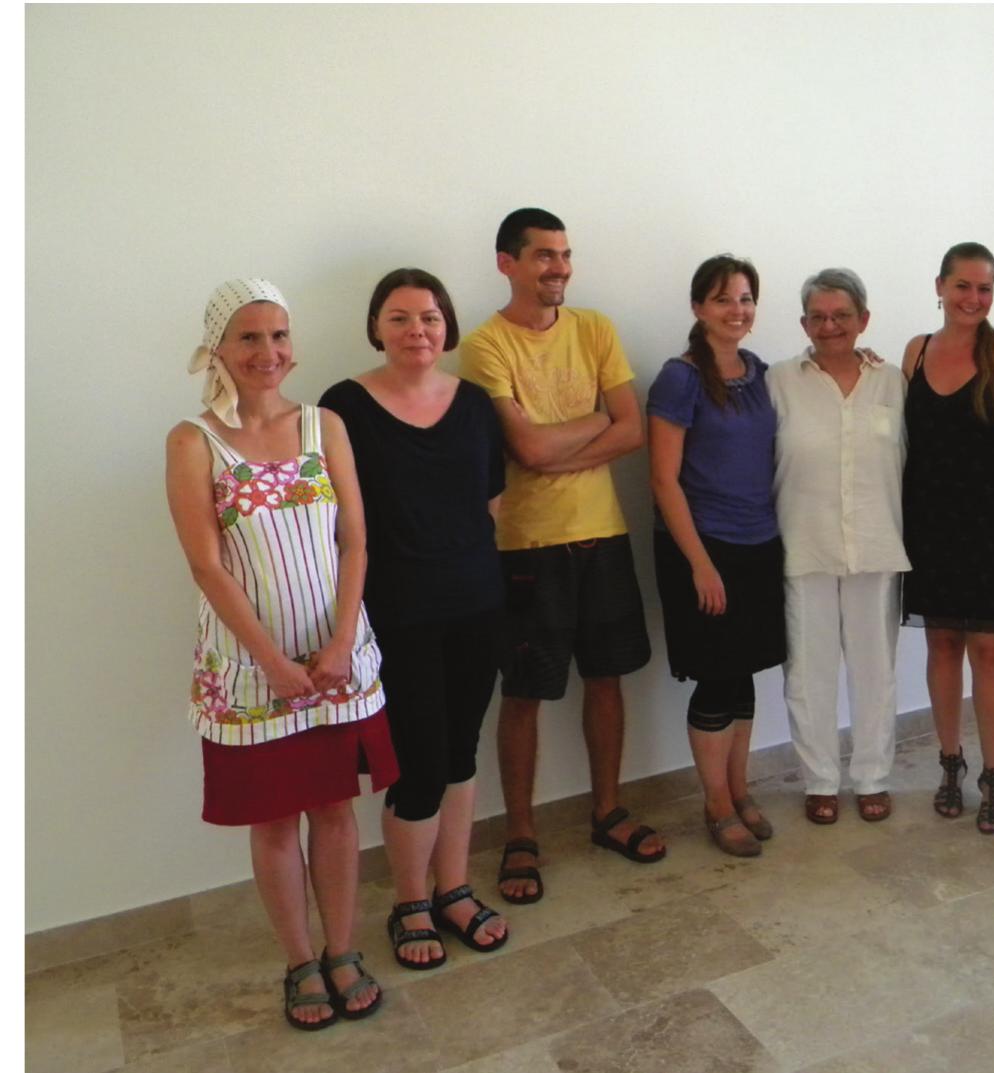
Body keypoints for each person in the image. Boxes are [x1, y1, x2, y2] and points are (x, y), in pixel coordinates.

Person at [166, 279, 397, 1030]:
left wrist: (340, 641)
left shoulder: (324, 426)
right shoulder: (192, 441)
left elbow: (355, 540)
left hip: (337, 660)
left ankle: (342, 950)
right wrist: (271, 661)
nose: (268, 352)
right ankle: (300, 961)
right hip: (249, 671)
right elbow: (206, 565)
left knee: (334, 809)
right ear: (218, 349)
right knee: (273, 821)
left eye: (278, 335)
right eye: (249, 337)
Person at [459, 208, 665, 902]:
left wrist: (561, 446)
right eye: (545, 255)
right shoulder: (484, 346)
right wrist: (596, 421)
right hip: (525, 545)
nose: (560, 268)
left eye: (566, 254)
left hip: (603, 534)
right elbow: (526, 448)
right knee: (524, 693)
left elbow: (633, 430)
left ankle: (607, 811)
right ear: (507, 263)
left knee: (607, 678)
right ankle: (521, 833)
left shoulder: (595, 328)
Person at [319, 269, 509, 971]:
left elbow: (490, 504)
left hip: (477, 605)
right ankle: (410, 902)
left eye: (428, 317)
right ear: (376, 327)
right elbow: (337, 524)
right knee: (418, 763)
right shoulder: (342, 407)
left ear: (446, 325)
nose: (416, 330)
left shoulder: (476, 404)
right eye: (399, 318)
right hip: (395, 617)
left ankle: (453, 888)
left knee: (461, 752)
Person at [901, 242, 994, 834]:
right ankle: (949, 765)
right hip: (929, 523)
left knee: (989, 653)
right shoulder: (915, 351)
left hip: (992, 524)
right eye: (962, 285)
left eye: (985, 288)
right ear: (939, 286)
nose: (974, 298)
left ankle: (993, 777)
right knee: (941, 647)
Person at [647, 255, 786, 857]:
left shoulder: (761, 374)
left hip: (760, 544)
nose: (738, 310)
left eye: (746, 298)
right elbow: (663, 479)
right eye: (724, 298)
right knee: (716, 676)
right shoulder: (679, 379)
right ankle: (716, 804)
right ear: (698, 307)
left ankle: (739, 788)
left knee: (744, 671)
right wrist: (701, 564)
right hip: (703, 549)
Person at [768, 268, 907, 825]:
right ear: (804, 323)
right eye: (818, 317)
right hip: (805, 544)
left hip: (877, 543)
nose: (830, 326)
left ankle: (873, 778)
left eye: (842, 315)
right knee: (808, 674)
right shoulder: (777, 382)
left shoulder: (893, 383)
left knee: (876, 673)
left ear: (863, 319)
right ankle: (820, 780)